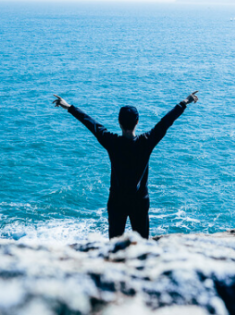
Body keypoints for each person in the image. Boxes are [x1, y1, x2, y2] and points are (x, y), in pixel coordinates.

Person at [53, 91, 199, 239]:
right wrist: (185, 102)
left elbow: (90, 123)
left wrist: (68, 107)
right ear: (137, 122)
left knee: (115, 246)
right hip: (140, 201)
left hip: (117, 201)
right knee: (142, 245)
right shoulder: (146, 142)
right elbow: (165, 122)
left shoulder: (112, 142)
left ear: (119, 122)